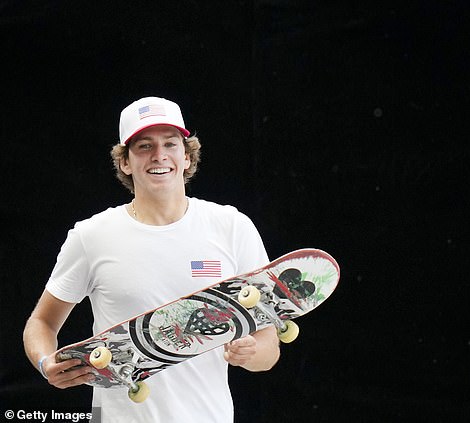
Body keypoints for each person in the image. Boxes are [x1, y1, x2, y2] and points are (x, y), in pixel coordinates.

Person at [23, 96, 280, 422]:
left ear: (187, 157)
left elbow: (269, 348)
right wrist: (47, 363)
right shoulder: (91, 236)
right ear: (125, 162)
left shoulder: (232, 227)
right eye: (144, 146)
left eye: (170, 144)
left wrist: (252, 354)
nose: (159, 155)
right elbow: (41, 322)